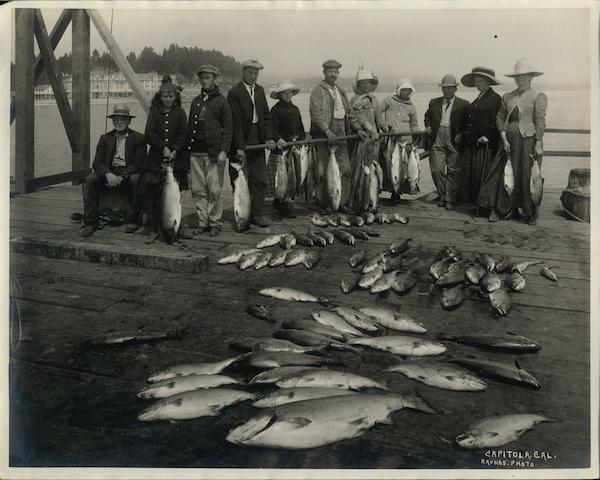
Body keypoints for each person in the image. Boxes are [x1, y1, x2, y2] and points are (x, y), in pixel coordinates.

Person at [129, 78, 188, 240]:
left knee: (176, 196)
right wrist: (163, 147)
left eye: (171, 97)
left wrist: (175, 150)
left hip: (177, 159)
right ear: (159, 97)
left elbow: (184, 134)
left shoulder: (181, 113)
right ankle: (152, 228)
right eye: (165, 97)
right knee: (152, 195)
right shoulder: (154, 113)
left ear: (175, 97)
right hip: (155, 160)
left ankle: (177, 226)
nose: (168, 99)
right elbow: (150, 134)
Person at [491, 58, 547, 226]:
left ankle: (530, 212)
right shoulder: (508, 96)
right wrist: (503, 137)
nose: (520, 79)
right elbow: (500, 117)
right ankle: (508, 209)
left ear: (531, 77)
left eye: (524, 76)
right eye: (518, 77)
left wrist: (538, 142)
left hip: (528, 141)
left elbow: (540, 121)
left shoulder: (538, 96)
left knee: (527, 174)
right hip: (509, 141)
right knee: (508, 174)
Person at [81, 104, 146, 237]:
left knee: (137, 179)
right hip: (110, 172)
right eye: (116, 119)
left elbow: (138, 164)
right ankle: (90, 222)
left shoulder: (139, 138)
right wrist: (108, 174)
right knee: (90, 179)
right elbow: (97, 162)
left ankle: (133, 220)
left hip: (129, 173)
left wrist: (122, 177)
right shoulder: (105, 138)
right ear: (112, 121)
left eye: (123, 119)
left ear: (129, 121)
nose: (119, 122)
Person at [227, 59, 276, 229]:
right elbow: (235, 122)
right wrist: (239, 147)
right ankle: (242, 215)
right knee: (240, 180)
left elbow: (266, 117)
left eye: (256, 73)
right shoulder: (234, 92)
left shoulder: (261, 91)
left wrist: (269, 138)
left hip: (258, 139)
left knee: (259, 179)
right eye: (250, 72)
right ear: (243, 72)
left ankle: (257, 214)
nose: (253, 75)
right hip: (241, 138)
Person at [185, 64, 233, 237]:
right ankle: (203, 222)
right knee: (198, 190)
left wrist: (223, 151)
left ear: (215, 79)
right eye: (202, 78)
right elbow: (190, 127)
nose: (204, 81)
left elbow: (228, 130)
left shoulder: (222, 102)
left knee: (214, 190)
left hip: (213, 154)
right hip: (195, 153)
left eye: (208, 78)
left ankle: (215, 222)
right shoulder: (196, 101)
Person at [309, 59, 354, 214]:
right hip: (323, 133)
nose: (333, 74)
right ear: (324, 72)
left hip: (341, 132)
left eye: (336, 72)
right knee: (322, 171)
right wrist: (327, 131)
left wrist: (359, 129)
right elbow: (316, 115)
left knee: (346, 170)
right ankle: (323, 204)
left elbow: (351, 114)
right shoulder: (317, 91)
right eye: (330, 71)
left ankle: (342, 202)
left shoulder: (342, 92)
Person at [459, 67, 502, 221]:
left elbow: (496, 121)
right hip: (474, 144)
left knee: (488, 176)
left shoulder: (495, 98)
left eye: (480, 81)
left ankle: (492, 209)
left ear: (489, 82)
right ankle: (480, 204)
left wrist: (488, 136)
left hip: (487, 145)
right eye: (476, 81)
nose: (477, 84)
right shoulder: (479, 97)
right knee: (476, 175)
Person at [424, 74, 469, 210]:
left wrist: (462, 133)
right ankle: (443, 195)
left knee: (454, 170)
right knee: (436, 169)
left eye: (450, 88)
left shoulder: (464, 104)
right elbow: (427, 116)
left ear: (455, 89)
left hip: (454, 138)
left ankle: (450, 199)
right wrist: (428, 125)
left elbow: (468, 123)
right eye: (445, 88)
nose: (447, 91)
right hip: (437, 137)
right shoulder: (434, 102)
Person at [267, 80, 306, 218]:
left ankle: (283, 203)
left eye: (290, 92)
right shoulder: (275, 110)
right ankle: (280, 203)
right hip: (280, 150)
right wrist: (278, 139)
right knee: (279, 180)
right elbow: (272, 129)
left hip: (293, 150)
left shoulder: (295, 109)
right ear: (279, 95)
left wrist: (301, 139)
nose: (288, 95)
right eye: (285, 93)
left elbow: (300, 127)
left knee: (291, 178)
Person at [349, 68, 386, 213]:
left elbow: (379, 117)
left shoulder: (374, 99)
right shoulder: (355, 100)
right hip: (363, 140)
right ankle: (357, 203)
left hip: (375, 142)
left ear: (371, 84)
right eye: (362, 83)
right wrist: (370, 130)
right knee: (360, 171)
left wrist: (386, 129)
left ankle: (371, 202)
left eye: (368, 83)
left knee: (373, 172)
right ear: (358, 85)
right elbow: (358, 117)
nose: (365, 86)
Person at [380, 78, 419, 203]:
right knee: (389, 165)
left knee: (402, 168)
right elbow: (377, 113)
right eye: (403, 89)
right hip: (389, 139)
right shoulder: (388, 101)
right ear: (398, 90)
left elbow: (414, 124)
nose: (405, 92)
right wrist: (384, 127)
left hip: (405, 141)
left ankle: (397, 193)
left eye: (408, 90)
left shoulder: (412, 107)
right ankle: (391, 190)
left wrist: (417, 133)